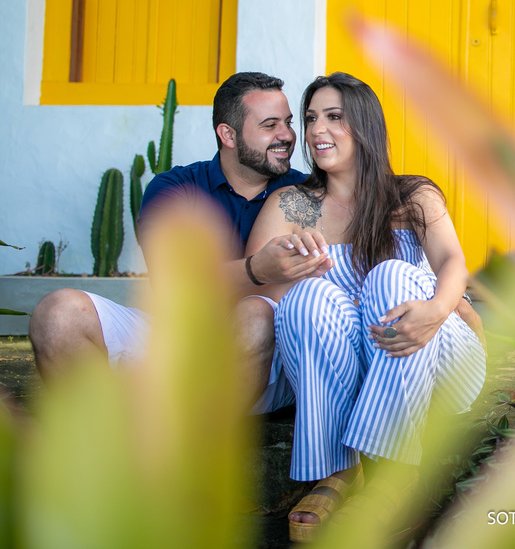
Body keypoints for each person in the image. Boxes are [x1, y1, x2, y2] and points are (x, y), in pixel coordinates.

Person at [244, 72, 486, 542]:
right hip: (347, 369)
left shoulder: (411, 195)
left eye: (334, 117)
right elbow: (262, 297)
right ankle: (338, 470)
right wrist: (295, 274)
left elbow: (453, 262)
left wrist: (440, 309)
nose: (317, 130)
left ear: (365, 126)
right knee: (307, 296)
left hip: (435, 363)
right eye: (311, 118)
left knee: (391, 277)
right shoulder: (295, 205)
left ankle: (394, 472)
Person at [28, 71, 333, 413]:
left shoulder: (309, 194)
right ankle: (108, 431)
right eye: (270, 125)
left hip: (268, 359)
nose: (288, 135)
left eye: (288, 122)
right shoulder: (175, 188)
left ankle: (186, 431)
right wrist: (255, 269)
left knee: (255, 313)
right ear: (228, 134)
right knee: (58, 315)